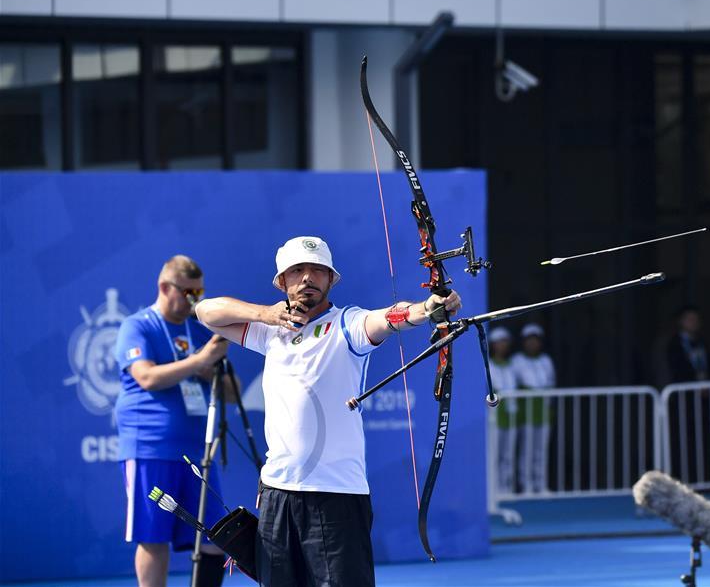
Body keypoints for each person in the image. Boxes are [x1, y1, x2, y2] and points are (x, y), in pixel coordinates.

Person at [195, 236, 461, 587]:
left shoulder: (348, 325)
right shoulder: (269, 332)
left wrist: (426, 310)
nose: (308, 277)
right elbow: (205, 312)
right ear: (282, 282)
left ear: (330, 279)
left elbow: (388, 318)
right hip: (277, 492)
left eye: (318, 270)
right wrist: (266, 314)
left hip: (335, 495)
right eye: (298, 271)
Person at [114, 255, 239, 587]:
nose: (193, 300)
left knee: (216, 537)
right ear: (164, 287)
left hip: (196, 455)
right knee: (153, 538)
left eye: (199, 293)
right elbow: (148, 378)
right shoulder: (137, 326)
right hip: (150, 448)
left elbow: (231, 392)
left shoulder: (200, 329)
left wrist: (208, 367)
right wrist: (198, 360)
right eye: (187, 292)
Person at [512, 323, 555, 494]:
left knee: (541, 451)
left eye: (535, 340)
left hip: (543, 412)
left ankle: (541, 484)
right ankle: (526, 484)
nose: (532, 343)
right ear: (524, 342)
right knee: (526, 450)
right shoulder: (517, 360)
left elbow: (551, 382)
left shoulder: (546, 360)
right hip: (526, 412)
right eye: (529, 340)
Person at [487, 326, 519, 494]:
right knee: (495, 455)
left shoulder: (512, 365)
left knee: (508, 455)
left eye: (505, 342)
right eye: (499, 342)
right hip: (494, 417)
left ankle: (506, 489)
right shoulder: (489, 365)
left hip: (511, 416)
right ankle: (494, 490)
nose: (502, 345)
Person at [666, 305, 710, 383]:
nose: (693, 322)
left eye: (696, 319)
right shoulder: (674, 344)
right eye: (689, 319)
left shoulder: (702, 343)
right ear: (680, 321)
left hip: (706, 390)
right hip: (684, 390)